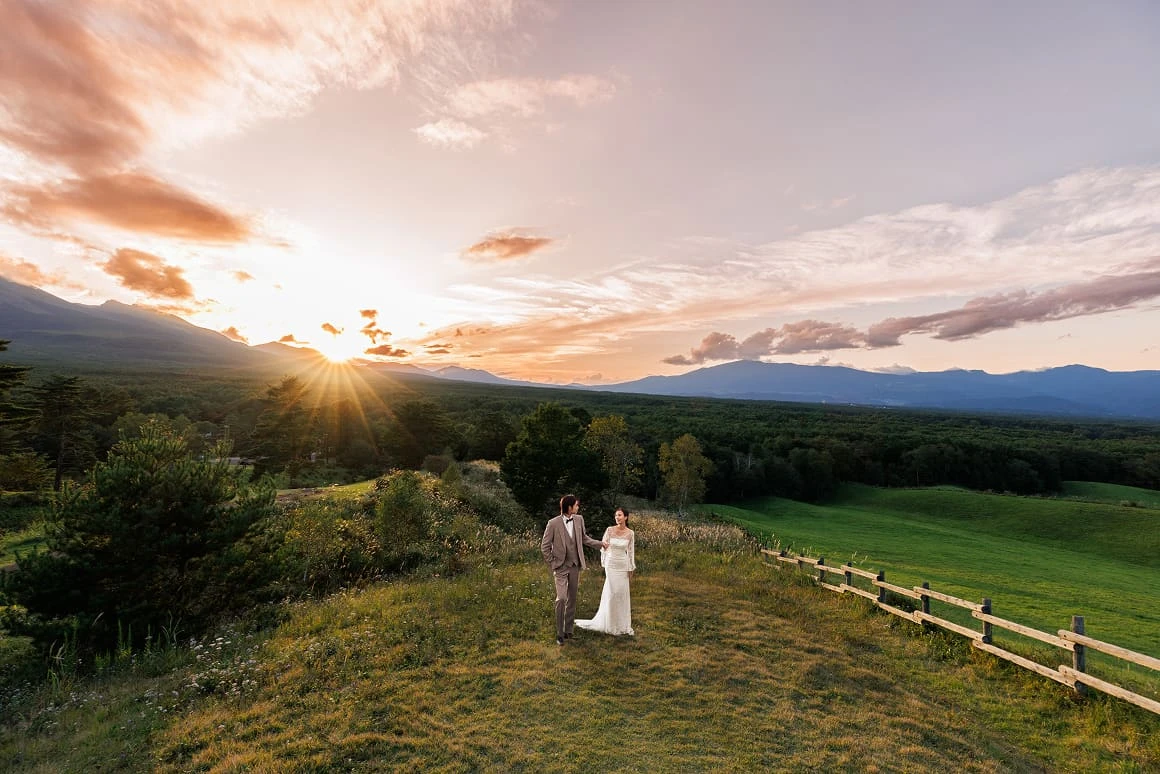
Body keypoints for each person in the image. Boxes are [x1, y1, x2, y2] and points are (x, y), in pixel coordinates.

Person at [541, 494, 607, 646]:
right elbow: (544, 547)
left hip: (575, 566)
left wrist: (600, 544)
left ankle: (568, 631)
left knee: (572, 598)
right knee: (561, 598)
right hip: (560, 567)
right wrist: (553, 563)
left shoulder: (579, 519)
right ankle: (559, 634)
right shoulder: (553, 523)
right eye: (576, 505)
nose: (578, 507)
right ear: (569, 507)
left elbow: (584, 538)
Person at [576, 506, 635, 637]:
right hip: (611, 565)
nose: (617, 517)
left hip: (623, 565)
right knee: (612, 592)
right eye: (616, 515)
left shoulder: (630, 533)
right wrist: (605, 558)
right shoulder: (609, 530)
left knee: (621, 593)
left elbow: (631, 552)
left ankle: (621, 624)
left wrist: (631, 568)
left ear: (625, 517)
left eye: (620, 515)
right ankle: (609, 622)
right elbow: (603, 547)